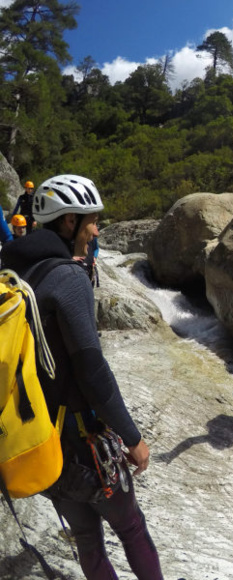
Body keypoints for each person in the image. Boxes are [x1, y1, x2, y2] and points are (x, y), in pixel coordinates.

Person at [0, 174, 164, 580]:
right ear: (69, 222)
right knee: (132, 529)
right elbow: (93, 372)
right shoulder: (68, 278)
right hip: (86, 445)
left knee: (88, 543)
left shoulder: (16, 273)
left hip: (44, 445)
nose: (95, 230)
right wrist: (133, 438)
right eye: (90, 221)